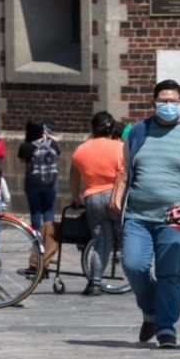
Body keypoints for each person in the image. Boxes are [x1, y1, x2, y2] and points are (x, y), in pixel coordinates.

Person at [111, 79, 180, 348]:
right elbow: (125, 167)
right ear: (153, 103)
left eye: (173, 101)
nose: (167, 105)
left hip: (175, 218)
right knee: (134, 265)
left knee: (169, 273)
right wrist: (116, 195)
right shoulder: (139, 131)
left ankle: (166, 327)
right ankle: (150, 311)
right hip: (138, 215)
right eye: (163, 101)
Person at [69, 111, 124, 296]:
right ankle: (138, 276)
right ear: (112, 128)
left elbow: (74, 175)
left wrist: (75, 196)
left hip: (92, 197)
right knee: (125, 238)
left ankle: (94, 282)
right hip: (116, 196)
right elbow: (126, 175)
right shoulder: (119, 148)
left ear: (93, 128)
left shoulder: (81, 150)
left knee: (101, 242)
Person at [18, 120, 61, 230]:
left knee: (35, 210)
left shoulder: (26, 146)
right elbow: (58, 156)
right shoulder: (51, 143)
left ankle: (37, 240)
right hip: (51, 182)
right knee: (49, 209)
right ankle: (49, 240)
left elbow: (21, 159)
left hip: (33, 182)